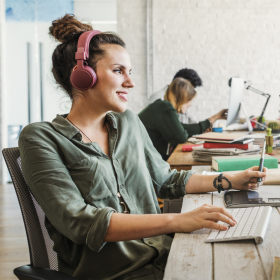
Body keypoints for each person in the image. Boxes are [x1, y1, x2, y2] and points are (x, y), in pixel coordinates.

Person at [18, 14, 267, 280]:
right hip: (118, 274)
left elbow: (167, 180)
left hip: (164, 256)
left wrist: (230, 180)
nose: (131, 82)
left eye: (130, 72)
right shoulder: (41, 138)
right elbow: (81, 222)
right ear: (82, 76)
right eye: (118, 71)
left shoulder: (128, 121)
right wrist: (178, 221)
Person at [139, 77, 227, 161]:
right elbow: (181, 137)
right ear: (182, 98)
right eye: (190, 100)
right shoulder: (165, 107)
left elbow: (181, 128)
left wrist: (213, 119)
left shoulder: (163, 107)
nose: (191, 104)